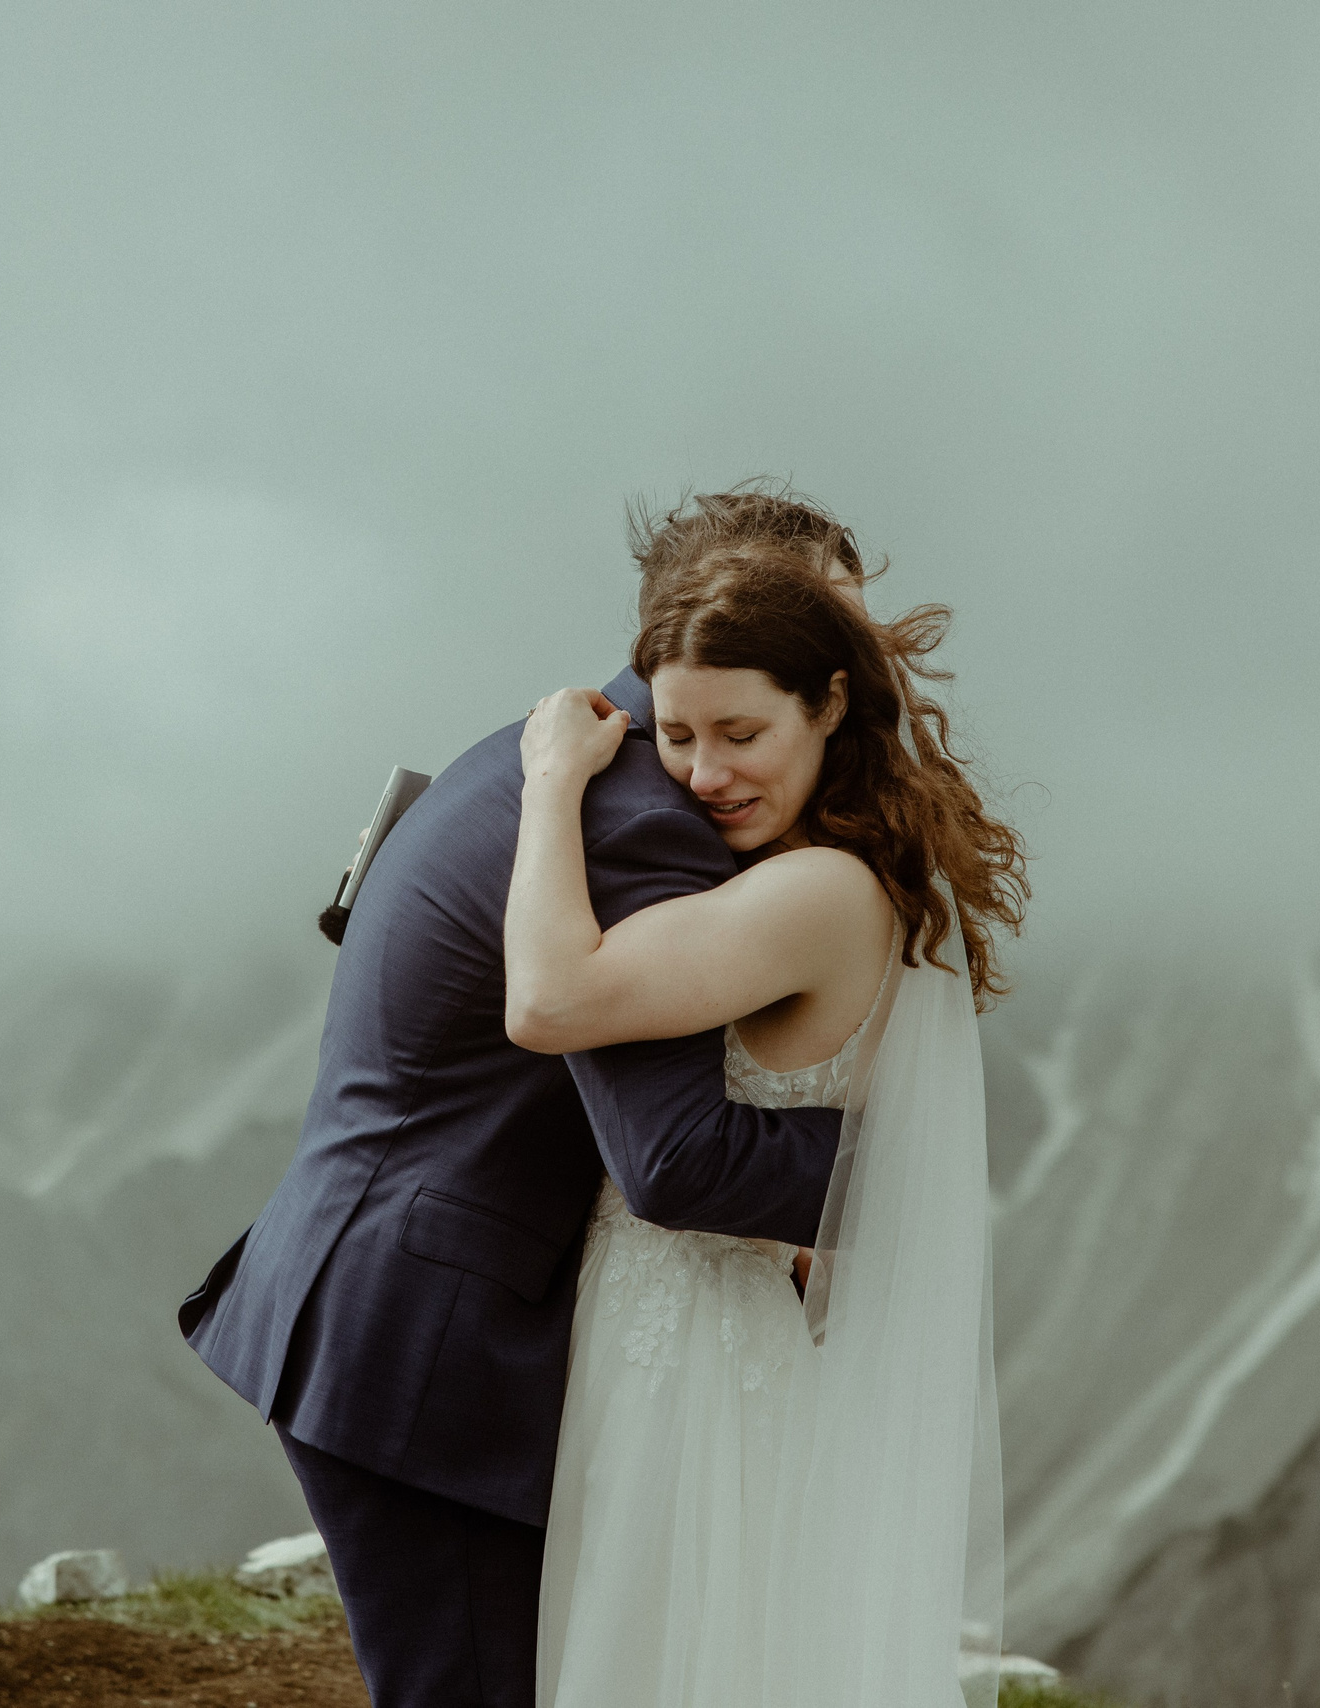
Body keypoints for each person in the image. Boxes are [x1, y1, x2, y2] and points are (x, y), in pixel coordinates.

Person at [178, 488, 871, 1708]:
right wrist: (892, 1162)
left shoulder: (565, 750)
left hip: (369, 1291)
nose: (855, 658)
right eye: (827, 622)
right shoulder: (646, 825)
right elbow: (675, 1162)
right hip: (416, 1342)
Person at [512, 520, 1027, 1707]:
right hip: (712, 1329)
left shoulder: (817, 893)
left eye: (742, 735)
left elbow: (548, 998)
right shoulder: (850, 870)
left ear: (830, 707)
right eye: (679, 735)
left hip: (688, 1353)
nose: (702, 774)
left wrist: (550, 790)